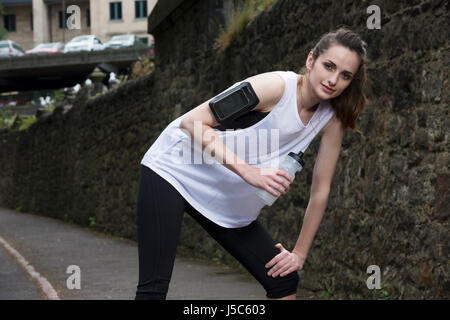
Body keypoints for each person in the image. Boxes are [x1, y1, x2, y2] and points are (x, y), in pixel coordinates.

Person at [135, 27, 368, 300]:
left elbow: (321, 189)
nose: (333, 80)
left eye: (345, 76)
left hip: (226, 199)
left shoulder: (331, 118)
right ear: (310, 60)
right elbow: (192, 122)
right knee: (153, 290)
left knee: (283, 280)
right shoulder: (275, 87)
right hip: (172, 171)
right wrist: (249, 172)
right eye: (328, 66)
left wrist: (299, 254)